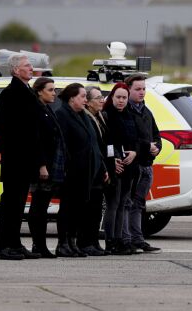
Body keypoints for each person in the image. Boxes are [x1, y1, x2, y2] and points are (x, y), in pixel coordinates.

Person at [0, 54, 42, 260]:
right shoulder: (11, 93)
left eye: (31, 65)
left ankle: (15, 243)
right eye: (27, 65)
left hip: (25, 158)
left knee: (19, 204)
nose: (31, 68)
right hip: (16, 159)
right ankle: (4, 247)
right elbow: (1, 126)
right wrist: (4, 152)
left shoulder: (26, 91)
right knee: (10, 204)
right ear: (15, 70)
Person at [55, 83, 108, 257]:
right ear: (72, 98)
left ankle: (72, 242)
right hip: (72, 172)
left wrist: (100, 166)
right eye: (83, 96)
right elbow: (62, 145)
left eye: (86, 96)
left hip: (87, 171)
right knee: (68, 209)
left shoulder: (82, 115)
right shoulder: (63, 115)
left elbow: (93, 144)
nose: (86, 100)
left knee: (77, 209)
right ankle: (63, 243)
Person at [123, 74, 163, 254]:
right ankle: (128, 239)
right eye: (137, 89)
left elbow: (156, 135)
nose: (142, 92)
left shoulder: (146, 111)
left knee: (139, 204)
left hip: (147, 164)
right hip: (133, 165)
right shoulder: (126, 112)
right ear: (128, 89)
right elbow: (129, 140)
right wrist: (147, 146)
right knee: (128, 203)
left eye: (144, 89)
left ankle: (138, 239)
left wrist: (157, 148)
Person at [27, 77, 66, 259]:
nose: (54, 93)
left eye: (54, 89)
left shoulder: (47, 109)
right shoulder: (36, 109)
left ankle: (40, 245)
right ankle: (38, 244)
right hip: (41, 166)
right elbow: (37, 141)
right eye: (50, 90)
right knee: (38, 208)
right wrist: (42, 166)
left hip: (50, 165)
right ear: (39, 91)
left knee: (42, 207)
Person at [102, 82, 139, 255]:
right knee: (113, 204)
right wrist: (113, 159)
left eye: (124, 97)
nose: (121, 101)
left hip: (129, 166)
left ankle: (119, 239)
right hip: (115, 165)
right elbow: (106, 141)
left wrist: (135, 153)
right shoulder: (107, 115)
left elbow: (137, 138)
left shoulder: (129, 115)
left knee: (123, 203)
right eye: (118, 97)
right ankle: (111, 241)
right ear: (112, 97)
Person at [79, 85, 115, 256]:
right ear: (87, 102)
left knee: (96, 209)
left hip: (102, 168)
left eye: (102, 97)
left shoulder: (101, 117)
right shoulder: (86, 119)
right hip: (93, 169)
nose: (102, 100)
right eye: (98, 98)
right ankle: (85, 242)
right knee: (89, 208)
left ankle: (93, 242)